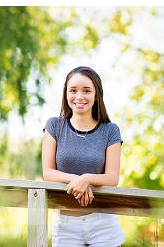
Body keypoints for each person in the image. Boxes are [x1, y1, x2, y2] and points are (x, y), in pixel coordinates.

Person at [42, 66, 125, 247]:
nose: (79, 96)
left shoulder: (110, 130)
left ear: (96, 95)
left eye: (86, 91)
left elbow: (112, 178)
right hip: (65, 224)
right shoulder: (54, 126)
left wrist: (87, 178)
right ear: (66, 94)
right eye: (73, 90)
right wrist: (77, 180)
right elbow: (48, 172)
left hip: (103, 222)